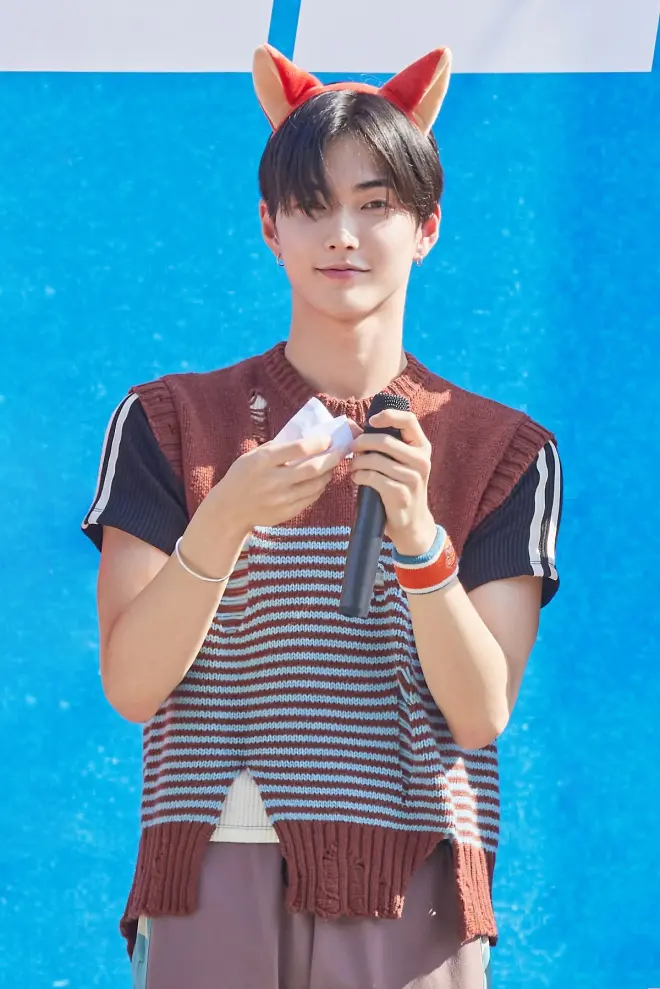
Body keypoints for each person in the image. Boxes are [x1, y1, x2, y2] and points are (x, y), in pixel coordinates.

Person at [81, 43, 562, 989]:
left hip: (414, 872)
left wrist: (421, 541)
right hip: (212, 863)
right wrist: (221, 523)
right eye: (311, 205)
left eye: (375, 205)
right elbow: (131, 684)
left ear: (426, 226)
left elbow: (480, 710)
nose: (342, 234)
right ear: (270, 225)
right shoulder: (171, 420)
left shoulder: (502, 447)